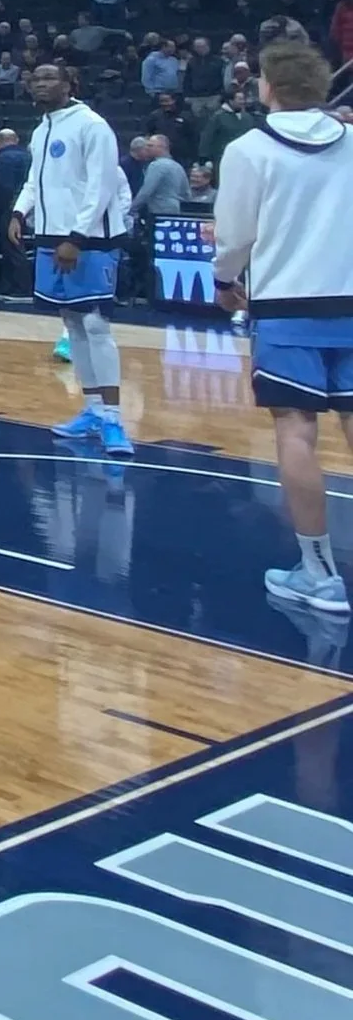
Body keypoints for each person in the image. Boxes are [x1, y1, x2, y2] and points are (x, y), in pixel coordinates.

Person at [212, 40, 353, 616]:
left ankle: (319, 574)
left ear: (266, 85)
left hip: (289, 305)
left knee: (296, 431)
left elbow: (234, 235)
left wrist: (224, 280)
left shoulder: (249, 148)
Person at [10, 61, 133, 456]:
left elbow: (102, 186)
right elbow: (35, 180)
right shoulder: (42, 129)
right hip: (51, 236)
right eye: (36, 78)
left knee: (96, 324)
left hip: (90, 239)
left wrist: (77, 237)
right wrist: (19, 212)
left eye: (50, 78)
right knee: (73, 324)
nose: (41, 84)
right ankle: (93, 409)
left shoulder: (92, 125)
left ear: (70, 83)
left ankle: (114, 418)